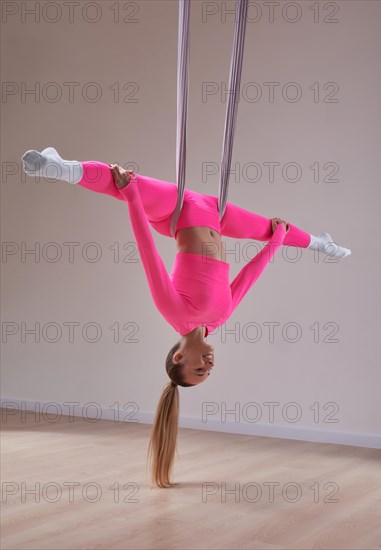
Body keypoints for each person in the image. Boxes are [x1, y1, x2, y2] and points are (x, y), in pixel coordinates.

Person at [22, 147, 351, 487]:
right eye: (209, 371)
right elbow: (248, 279)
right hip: (216, 216)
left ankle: (57, 167)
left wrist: (133, 198)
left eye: (199, 368)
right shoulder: (217, 321)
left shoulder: (175, 312)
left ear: (179, 357)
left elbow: (148, 254)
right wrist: (276, 244)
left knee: (122, 180)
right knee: (273, 228)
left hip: (178, 214)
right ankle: (320, 244)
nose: (209, 364)